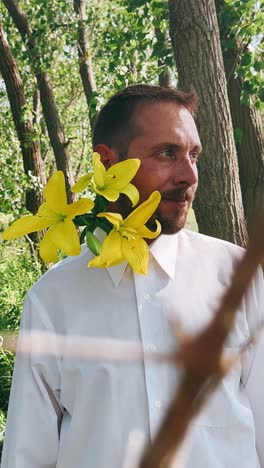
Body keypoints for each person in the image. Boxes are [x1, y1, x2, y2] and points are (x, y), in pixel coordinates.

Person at [1, 84, 264, 468]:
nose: (188, 175)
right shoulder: (53, 300)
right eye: (167, 153)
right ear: (107, 163)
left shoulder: (240, 279)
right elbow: (28, 455)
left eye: (194, 155)